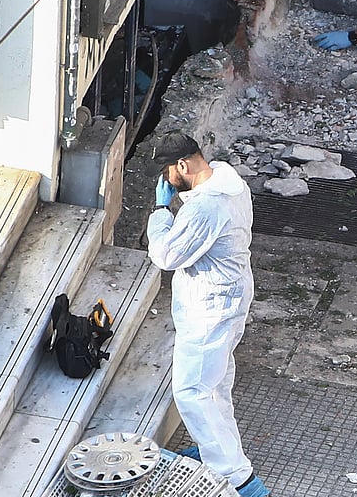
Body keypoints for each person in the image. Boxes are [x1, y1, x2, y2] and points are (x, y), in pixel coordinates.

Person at [145, 132, 270, 497]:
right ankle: (215, 452)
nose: (166, 178)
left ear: (183, 165)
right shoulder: (229, 179)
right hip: (231, 296)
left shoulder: (205, 207)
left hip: (210, 308)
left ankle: (238, 479)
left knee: (192, 391)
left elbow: (167, 256)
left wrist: (159, 211)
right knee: (215, 385)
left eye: (168, 170)